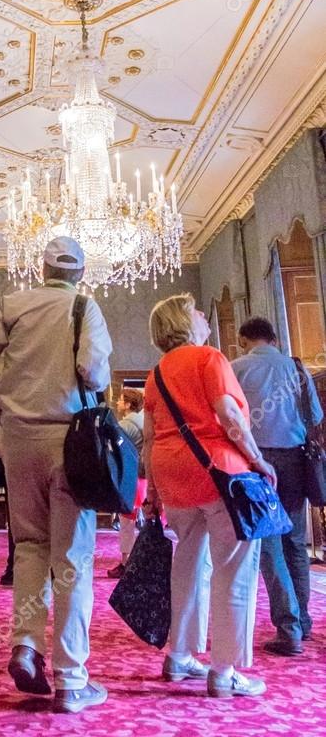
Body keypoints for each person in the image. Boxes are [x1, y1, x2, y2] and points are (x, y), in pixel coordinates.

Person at [0, 237, 112, 714]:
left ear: (41, 267)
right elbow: (92, 369)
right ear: (80, 273)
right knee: (71, 556)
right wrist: (96, 381)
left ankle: (26, 645)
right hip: (69, 439)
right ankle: (72, 679)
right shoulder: (84, 307)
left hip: (19, 439)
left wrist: (1, 399)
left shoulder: (14, 303)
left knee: (29, 546)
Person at [143, 293, 276, 698]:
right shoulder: (208, 358)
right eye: (198, 311)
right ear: (185, 321)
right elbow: (229, 416)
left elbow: (149, 439)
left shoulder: (157, 374)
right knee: (233, 569)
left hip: (173, 475)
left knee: (187, 564)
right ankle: (224, 670)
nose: (203, 316)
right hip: (219, 472)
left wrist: (152, 491)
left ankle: (180, 655)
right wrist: (257, 460)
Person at [231, 316, 323, 656]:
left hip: (257, 463)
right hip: (296, 459)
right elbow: (313, 417)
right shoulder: (296, 368)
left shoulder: (236, 368)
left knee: (269, 546)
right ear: (273, 338)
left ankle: (289, 629)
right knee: (295, 544)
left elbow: (229, 419)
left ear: (243, 339)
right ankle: (304, 622)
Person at [106, 388, 147, 578]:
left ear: (129, 404)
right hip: (145, 477)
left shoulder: (126, 424)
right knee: (146, 521)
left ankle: (125, 563)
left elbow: (110, 447)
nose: (117, 403)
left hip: (133, 478)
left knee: (126, 522)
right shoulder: (143, 420)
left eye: (121, 400)